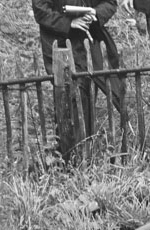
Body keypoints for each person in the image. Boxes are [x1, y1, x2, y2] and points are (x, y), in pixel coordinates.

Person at [32, 0, 125, 136]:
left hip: (89, 41)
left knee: (90, 91)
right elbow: (41, 10)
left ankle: (87, 145)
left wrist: (95, 13)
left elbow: (109, 3)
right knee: (68, 93)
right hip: (61, 43)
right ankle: (68, 150)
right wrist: (69, 23)